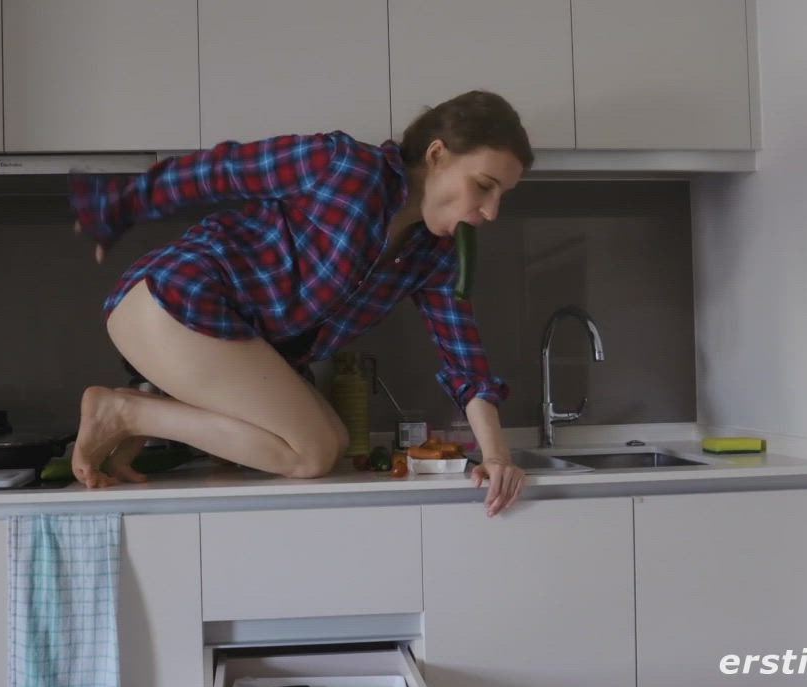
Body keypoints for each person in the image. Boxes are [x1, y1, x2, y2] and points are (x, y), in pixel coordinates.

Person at [69, 89, 532, 516]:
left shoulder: (432, 255)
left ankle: (140, 407)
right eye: (484, 186)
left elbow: (464, 359)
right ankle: (125, 413)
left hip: (220, 332)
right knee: (310, 453)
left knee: (331, 442)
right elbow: (224, 170)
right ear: (437, 155)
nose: (490, 212)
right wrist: (124, 204)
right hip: (176, 297)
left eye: (502, 197)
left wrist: (496, 458)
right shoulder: (343, 166)